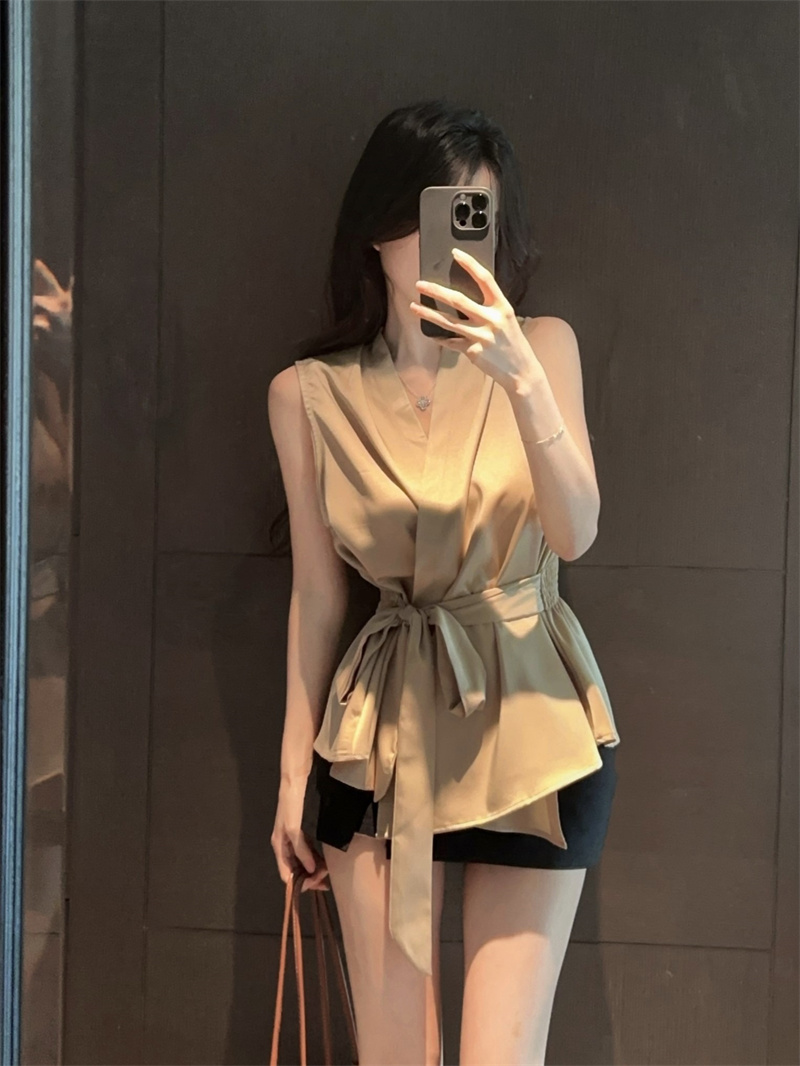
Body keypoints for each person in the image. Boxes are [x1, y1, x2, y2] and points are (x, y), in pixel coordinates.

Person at [267, 99, 621, 1066]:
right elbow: (318, 594)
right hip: (382, 735)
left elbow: (577, 533)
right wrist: (293, 777)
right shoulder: (307, 394)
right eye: (438, 209)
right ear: (381, 223)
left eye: (477, 215)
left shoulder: (543, 349)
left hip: (534, 722)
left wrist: (521, 379)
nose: (454, 240)